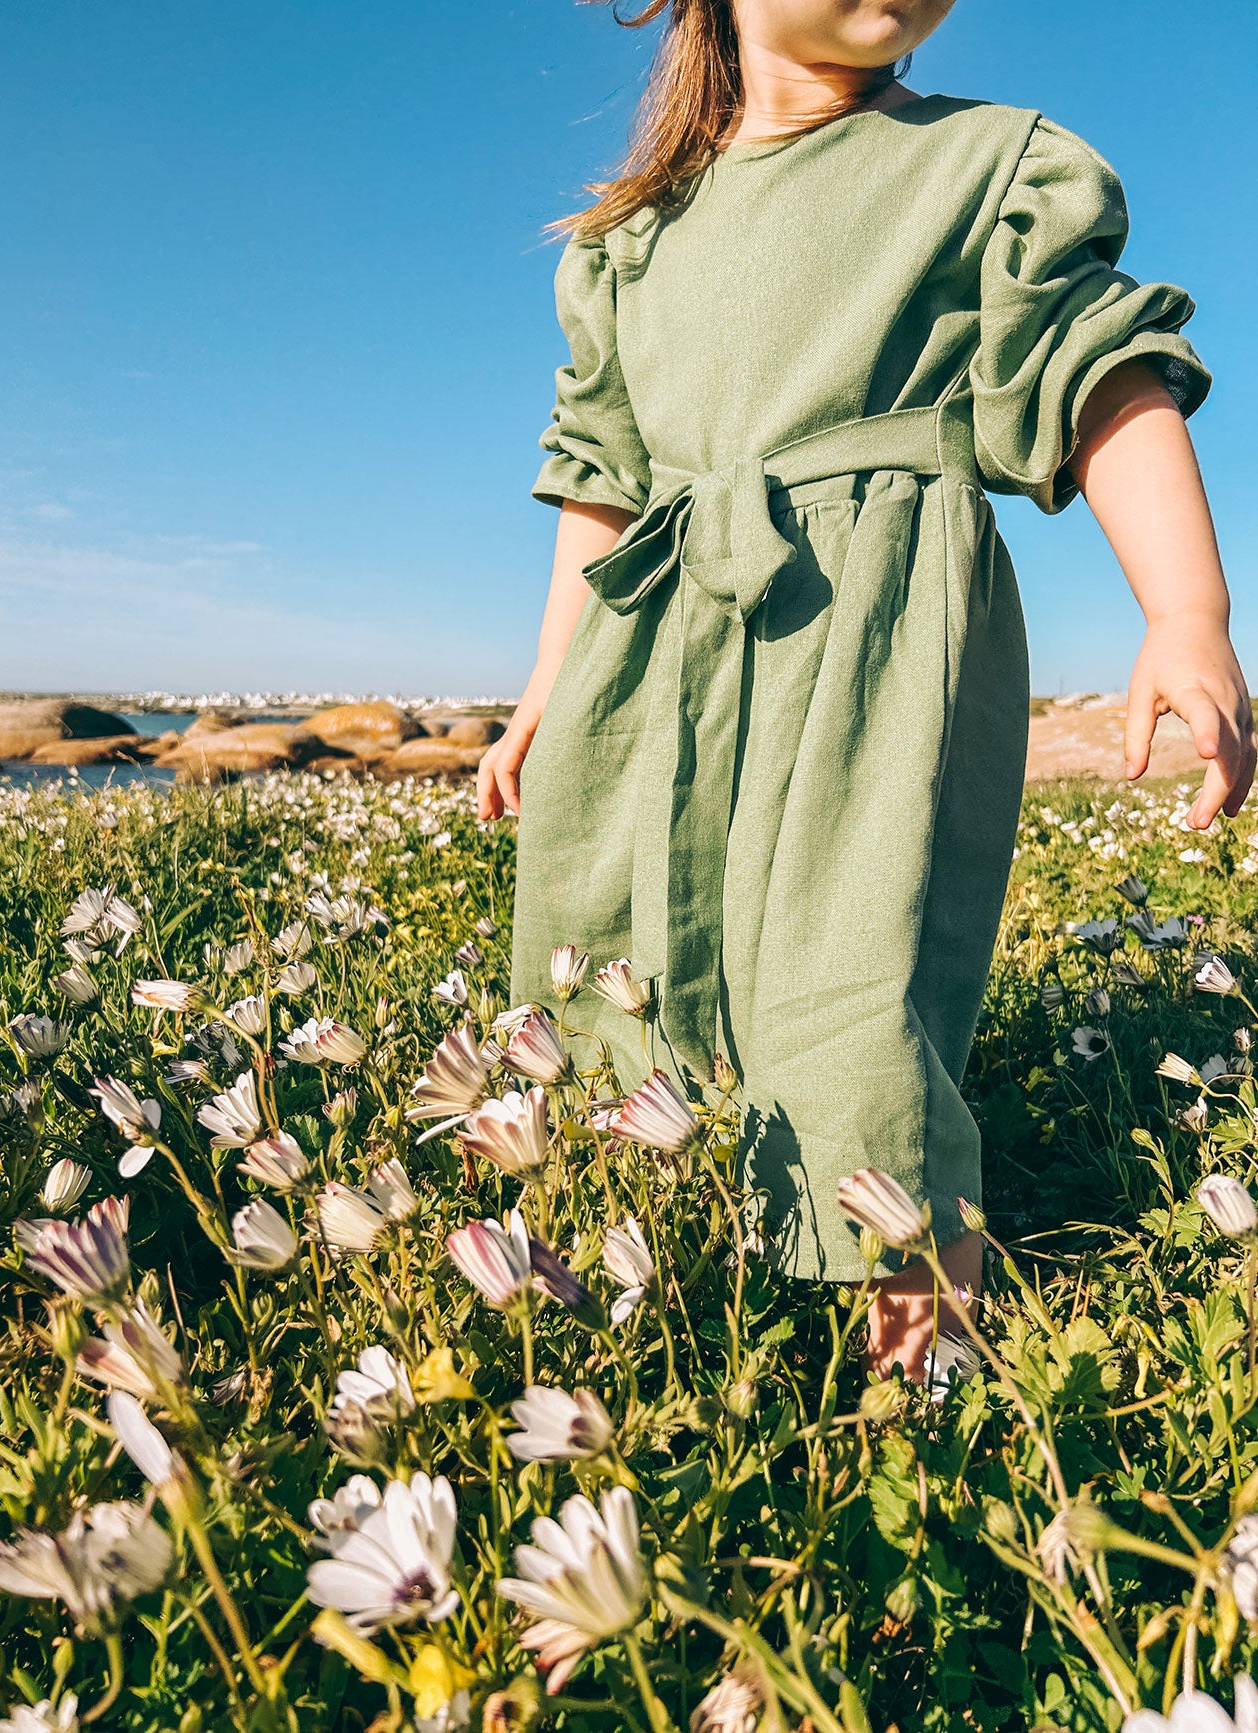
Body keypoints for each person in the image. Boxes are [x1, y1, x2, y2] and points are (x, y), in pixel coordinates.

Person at [476, 0, 1255, 1380]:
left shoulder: (988, 167)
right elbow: (601, 474)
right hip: (657, 642)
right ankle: (656, 1334)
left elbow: (1100, 370)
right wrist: (548, 678)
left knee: (853, 989)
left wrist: (1187, 608)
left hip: (876, 634)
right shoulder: (628, 243)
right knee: (619, 969)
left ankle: (928, 1379)